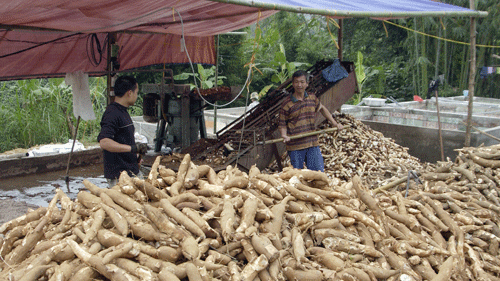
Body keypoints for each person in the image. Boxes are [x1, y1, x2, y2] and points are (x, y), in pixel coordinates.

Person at [279, 70, 343, 172]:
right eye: (296, 82)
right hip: (295, 146)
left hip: (312, 143)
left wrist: (335, 123)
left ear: (307, 84)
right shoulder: (286, 103)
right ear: (293, 84)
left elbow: (322, 108)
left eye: (302, 82)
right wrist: (284, 135)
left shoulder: (312, 98)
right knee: (297, 176)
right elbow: (282, 124)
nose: (299, 85)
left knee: (318, 173)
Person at [97, 76, 147, 187]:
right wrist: (131, 149)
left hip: (130, 171)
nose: (136, 96)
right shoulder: (112, 113)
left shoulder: (123, 111)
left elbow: (122, 139)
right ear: (129, 93)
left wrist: (136, 156)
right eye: (136, 92)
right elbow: (104, 142)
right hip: (120, 176)